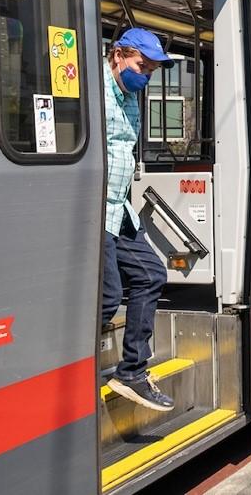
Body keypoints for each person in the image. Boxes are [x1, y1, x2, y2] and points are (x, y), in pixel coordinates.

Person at [101, 28, 176, 412]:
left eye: (150, 71)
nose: (144, 76)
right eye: (141, 66)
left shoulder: (130, 97)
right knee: (108, 297)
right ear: (118, 55)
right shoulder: (92, 91)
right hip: (95, 211)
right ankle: (71, 367)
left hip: (119, 209)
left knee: (150, 274)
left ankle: (132, 370)